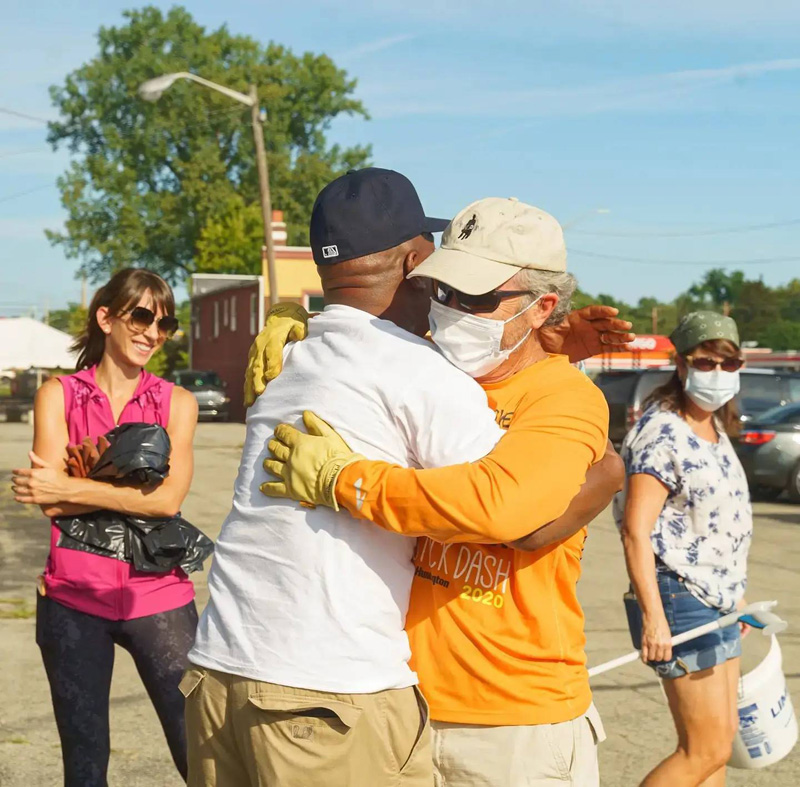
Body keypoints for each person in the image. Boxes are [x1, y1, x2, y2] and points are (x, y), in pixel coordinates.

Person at [259, 196, 630, 785]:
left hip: (512, 727)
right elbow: (363, 337)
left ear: (543, 307)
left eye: (477, 298)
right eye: (443, 292)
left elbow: (505, 510)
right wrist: (303, 326)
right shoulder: (432, 373)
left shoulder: (564, 399)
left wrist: (344, 480)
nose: (452, 311)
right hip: (403, 709)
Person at [12, 268, 199, 787]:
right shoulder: (58, 395)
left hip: (158, 595)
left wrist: (72, 486)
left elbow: (166, 502)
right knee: (85, 763)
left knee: (201, 754)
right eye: (142, 316)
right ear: (106, 317)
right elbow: (49, 508)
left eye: (165, 323)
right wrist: (126, 495)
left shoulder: (176, 404)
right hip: (73, 597)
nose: (152, 332)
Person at [613, 311, 752, 787]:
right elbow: (636, 532)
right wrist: (654, 617)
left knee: (716, 749)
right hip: (681, 601)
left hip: (718, 598)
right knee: (705, 747)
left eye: (728, 364)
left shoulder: (714, 429)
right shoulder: (662, 432)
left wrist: (737, 596)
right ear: (681, 364)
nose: (717, 373)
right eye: (705, 361)